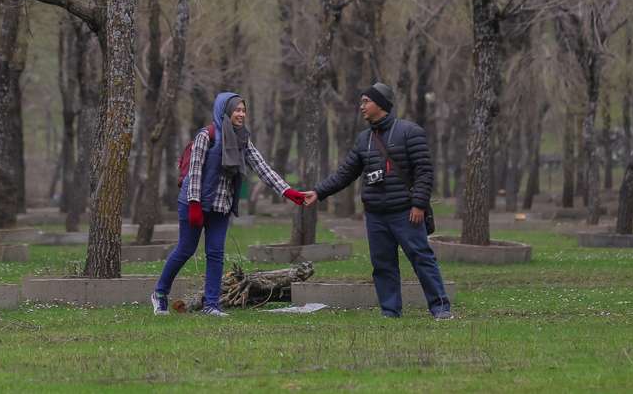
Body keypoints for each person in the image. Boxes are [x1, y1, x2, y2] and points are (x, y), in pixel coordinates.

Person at [305, 82, 453, 320]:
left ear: (381, 104)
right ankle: (390, 311)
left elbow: (424, 172)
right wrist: (318, 192)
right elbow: (345, 173)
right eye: (361, 101)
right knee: (383, 265)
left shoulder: (409, 131)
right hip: (376, 215)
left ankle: (441, 308)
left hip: (406, 212)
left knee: (422, 260)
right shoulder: (364, 139)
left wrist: (418, 204)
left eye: (366, 101)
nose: (361, 106)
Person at [152, 91, 308, 316]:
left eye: (244, 110)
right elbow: (195, 172)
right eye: (237, 110)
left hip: (220, 206)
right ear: (224, 112)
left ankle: (211, 305)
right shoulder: (206, 136)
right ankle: (159, 293)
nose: (241, 114)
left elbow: (262, 168)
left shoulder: (242, 139)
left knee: (215, 253)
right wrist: (194, 204)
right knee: (186, 249)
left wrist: (288, 191)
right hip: (195, 203)